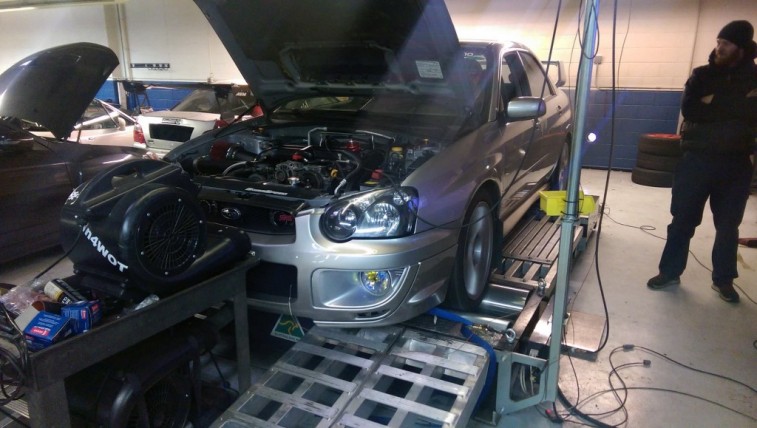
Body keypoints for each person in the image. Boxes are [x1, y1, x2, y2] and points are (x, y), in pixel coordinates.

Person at [647, 20, 757, 303]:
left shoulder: (754, 78)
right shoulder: (701, 75)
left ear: (741, 48)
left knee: (728, 226)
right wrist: (737, 105)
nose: (719, 47)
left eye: (726, 43)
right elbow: (690, 109)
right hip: (696, 159)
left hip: (736, 164)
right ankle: (669, 272)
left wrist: (714, 102)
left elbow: (752, 114)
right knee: (682, 219)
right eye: (718, 42)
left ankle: (724, 280)